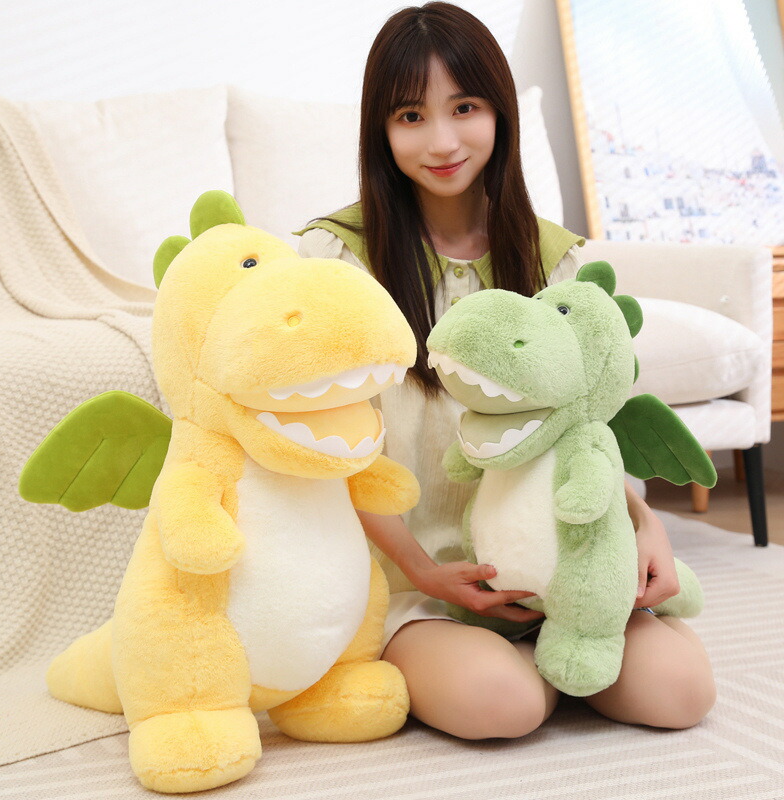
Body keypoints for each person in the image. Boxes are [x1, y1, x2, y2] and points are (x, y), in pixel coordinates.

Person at [296, 2, 715, 739]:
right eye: (411, 116)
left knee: (684, 694)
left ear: (499, 112)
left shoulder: (557, 261)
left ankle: (553, 647)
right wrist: (423, 570)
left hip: (558, 569)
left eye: (465, 107)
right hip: (420, 578)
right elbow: (332, 451)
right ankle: (522, 666)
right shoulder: (339, 262)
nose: (443, 141)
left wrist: (644, 522)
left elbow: (584, 425)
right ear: (380, 130)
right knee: (508, 706)